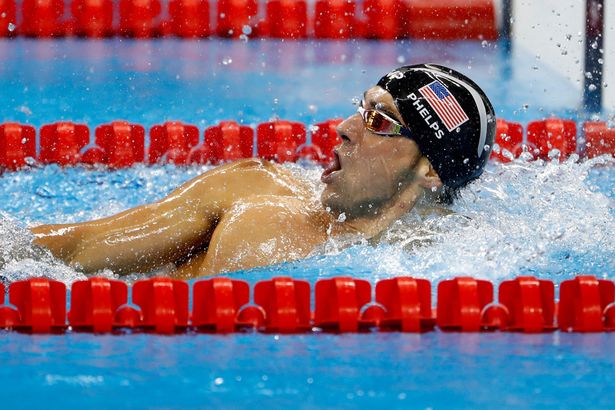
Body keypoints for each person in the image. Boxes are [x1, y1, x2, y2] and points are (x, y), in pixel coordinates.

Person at [31, 64, 496, 279]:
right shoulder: (252, 195)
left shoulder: (458, 262)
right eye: (361, 107)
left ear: (430, 170)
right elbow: (72, 250)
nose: (344, 128)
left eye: (378, 120)